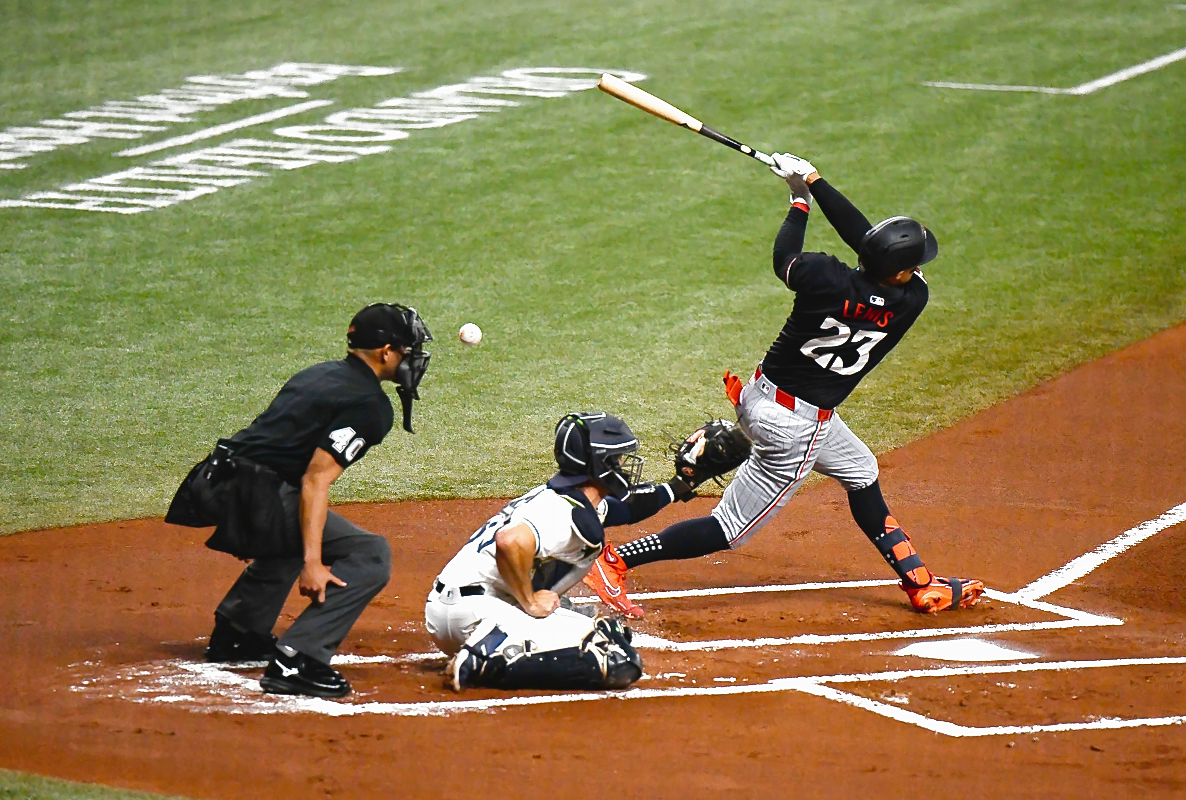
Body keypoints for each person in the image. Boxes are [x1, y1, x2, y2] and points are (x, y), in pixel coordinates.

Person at [585, 154, 985, 619]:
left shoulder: (824, 278)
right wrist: (814, 180)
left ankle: (919, 583)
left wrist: (802, 197)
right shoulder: (913, 299)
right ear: (900, 273)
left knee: (860, 470)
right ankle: (615, 561)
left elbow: (789, 258)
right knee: (730, 527)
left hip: (758, 395)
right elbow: (871, 245)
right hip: (796, 429)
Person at [166, 303, 433, 697]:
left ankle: (240, 632)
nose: (413, 359)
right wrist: (312, 563)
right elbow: (315, 480)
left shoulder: (322, 373)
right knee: (370, 553)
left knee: (297, 526)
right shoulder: (369, 405)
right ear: (386, 352)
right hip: (249, 492)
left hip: (214, 480)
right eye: (408, 350)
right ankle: (299, 659)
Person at [426, 412, 692, 691]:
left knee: (612, 633)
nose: (624, 465)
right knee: (617, 660)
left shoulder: (572, 498)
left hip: (460, 606)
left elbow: (627, 509)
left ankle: (500, 639)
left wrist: (683, 484)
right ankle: (486, 659)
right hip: (476, 613)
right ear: (600, 464)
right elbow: (510, 541)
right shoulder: (561, 511)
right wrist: (530, 601)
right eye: (618, 458)